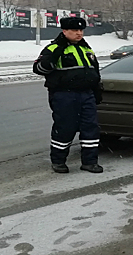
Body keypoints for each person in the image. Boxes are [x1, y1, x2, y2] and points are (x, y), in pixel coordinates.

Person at [33, 17, 104, 174]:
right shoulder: (54, 48)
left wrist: (97, 91)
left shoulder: (86, 49)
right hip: (64, 95)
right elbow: (39, 69)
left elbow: (95, 73)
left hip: (87, 95)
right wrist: (56, 53)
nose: (79, 33)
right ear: (64, 31)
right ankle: (58, 161)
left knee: (90, 128)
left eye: (81, 30)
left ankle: (90, 162)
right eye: (74, 31)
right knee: (65, 128)